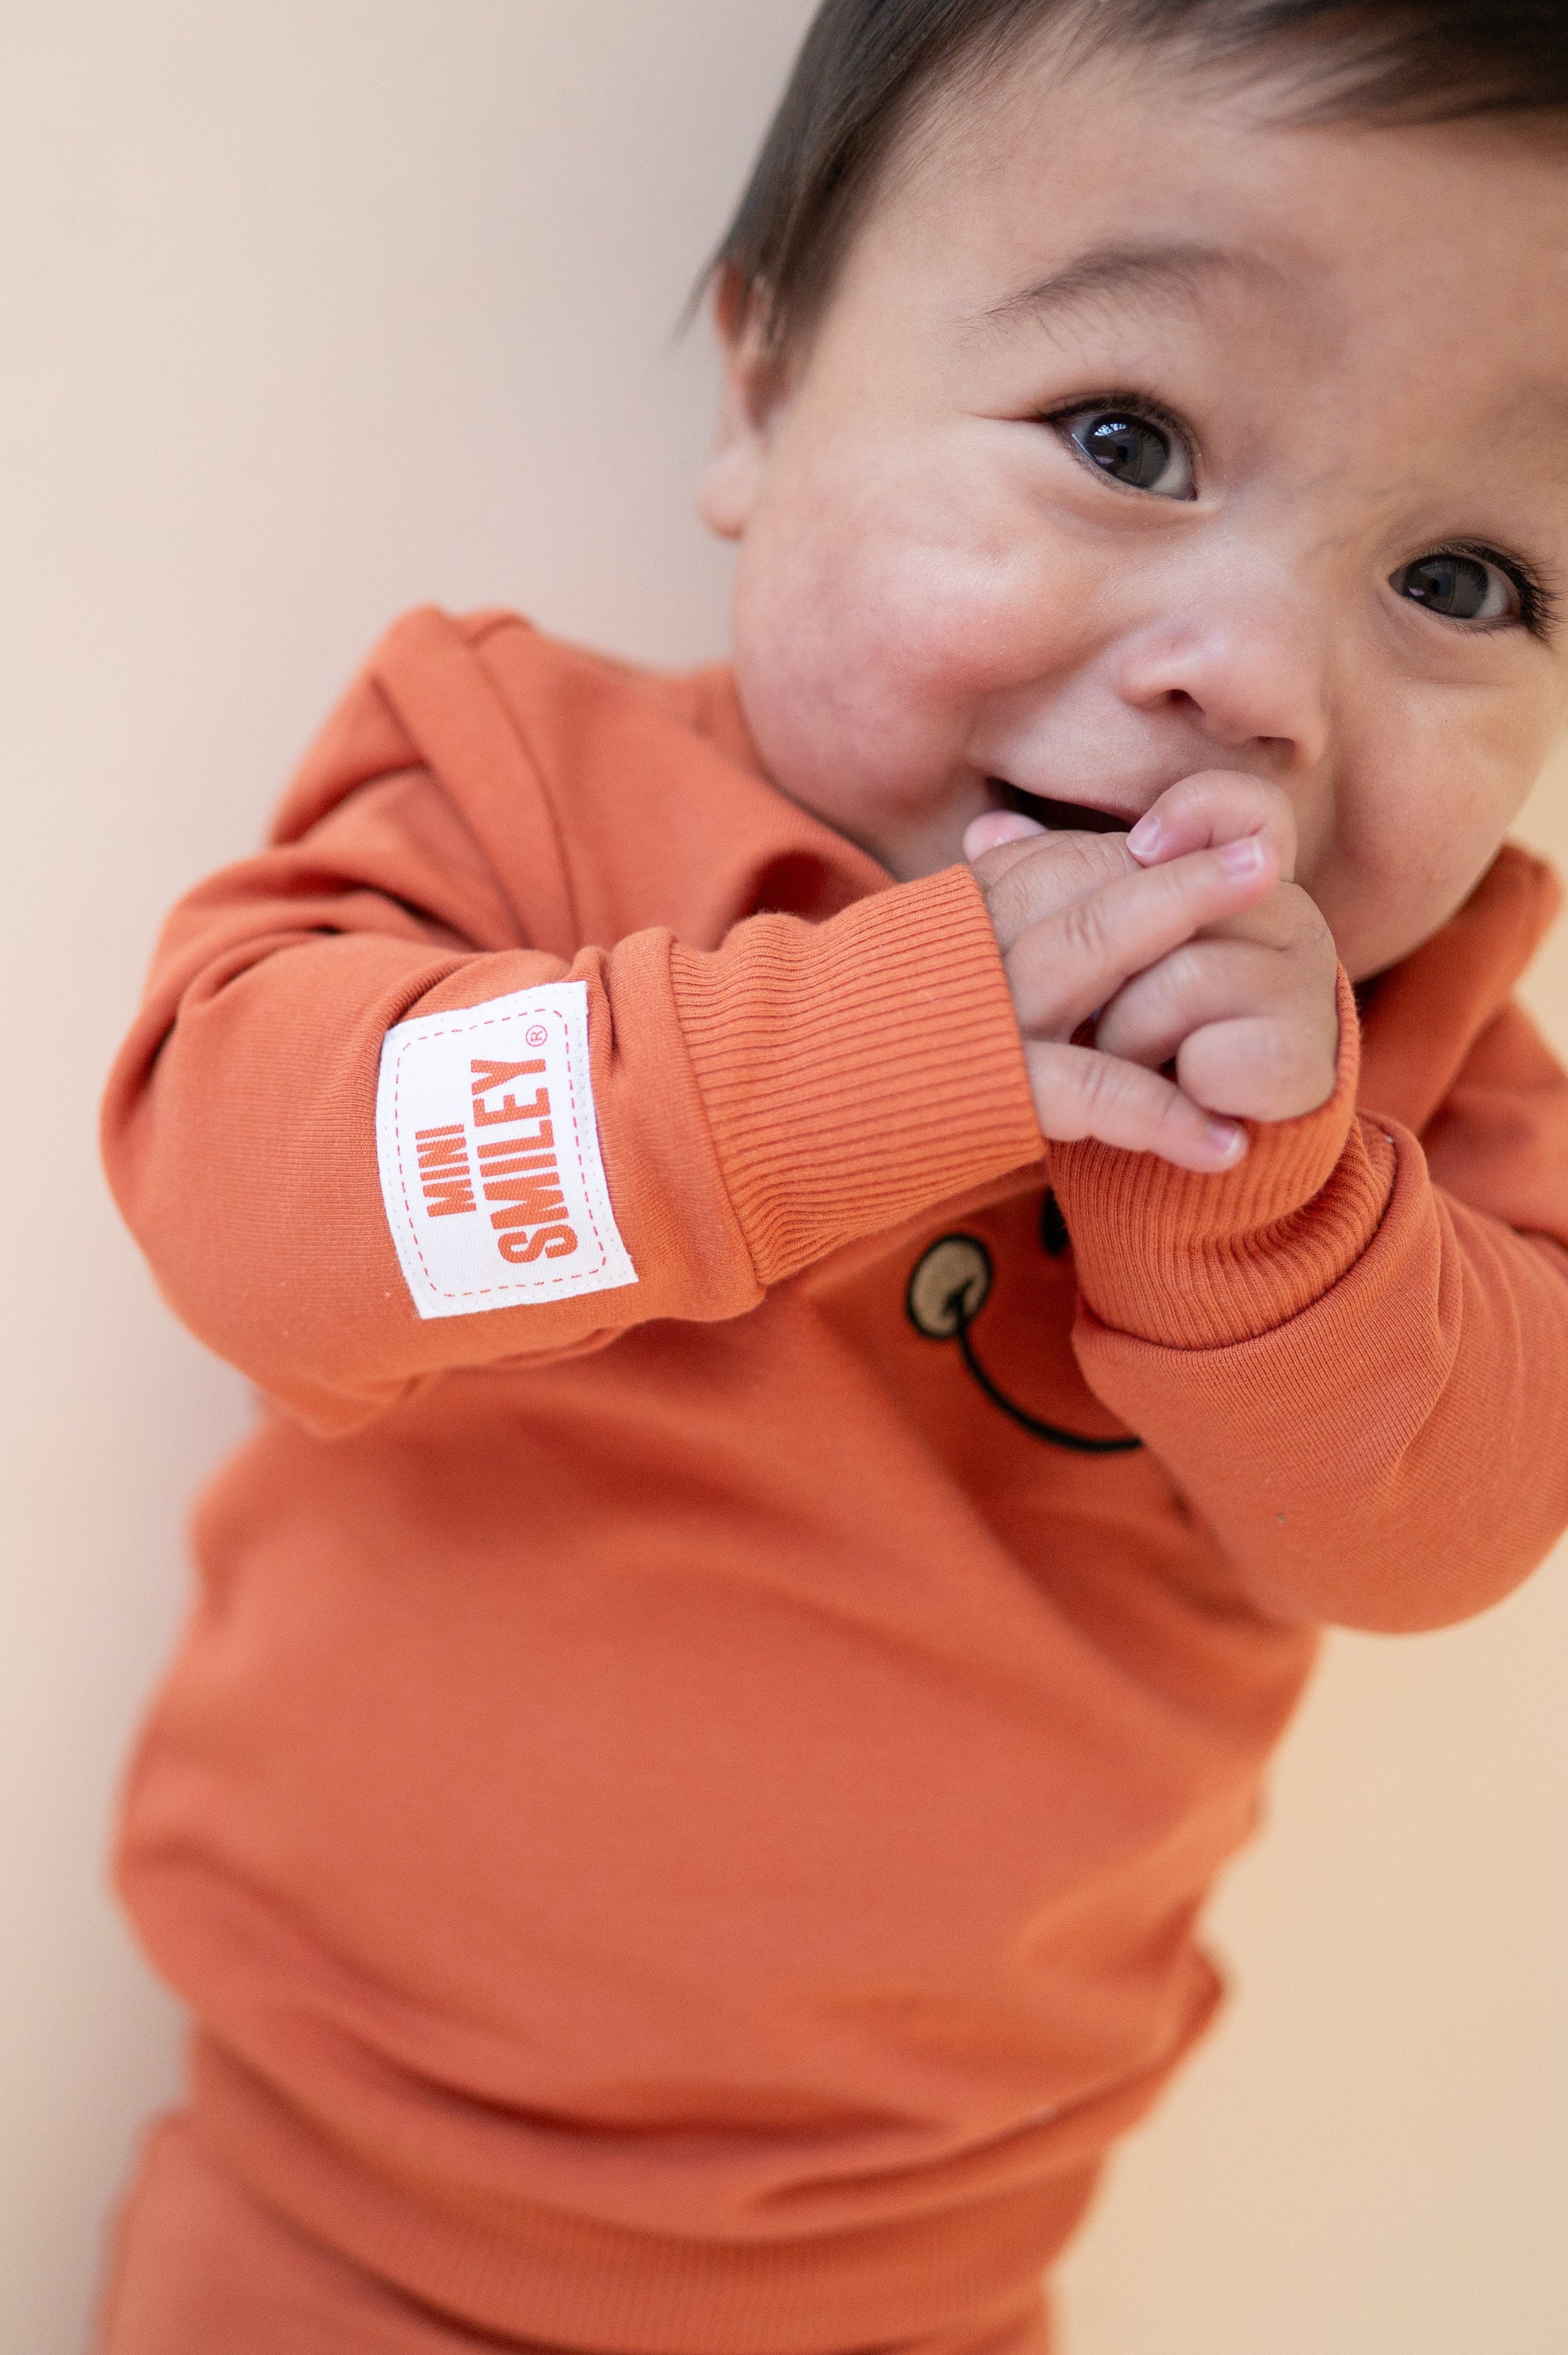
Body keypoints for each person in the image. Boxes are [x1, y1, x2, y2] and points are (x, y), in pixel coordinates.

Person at [94, 4, 1568, 2350]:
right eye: (1128, 436)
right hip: (331, 2214)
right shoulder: (522, 798)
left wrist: (1254, 1186)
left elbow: (1438, 1526)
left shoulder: (1410, 1063)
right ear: (763, 390)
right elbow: (249, 1201)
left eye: (1469, 579)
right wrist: (874, 1049)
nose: (1258, 676)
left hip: (927, 2276)